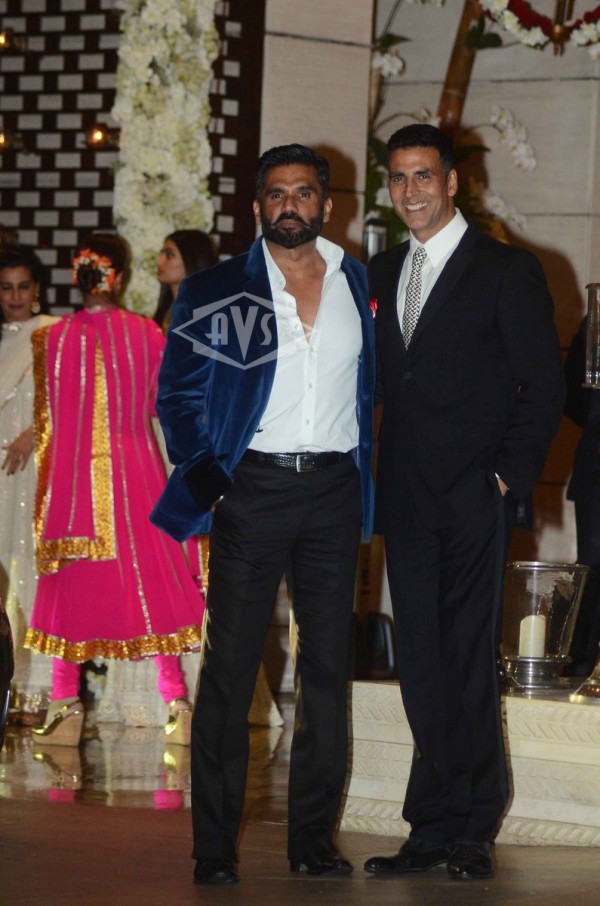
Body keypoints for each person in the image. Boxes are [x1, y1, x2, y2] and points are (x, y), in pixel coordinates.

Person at [152, 143, 376, 885]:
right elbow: (177, 398)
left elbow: (375, 388)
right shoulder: (220, 289)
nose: (289, 205)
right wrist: (214, 481)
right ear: (257, 206)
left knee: (327, 672)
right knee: (229, 668)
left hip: (335, 492)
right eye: (276, 194)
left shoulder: (357, 282)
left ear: (327, 204)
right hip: (252, 489)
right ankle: (214, 847)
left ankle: (312, 841)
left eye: (303, 192)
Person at [363, 124, 565, 881]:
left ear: (452, 182)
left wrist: (506, 478)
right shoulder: (381, 271)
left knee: (466, 660)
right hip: (405, 498)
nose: (410, 191)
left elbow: (543, 385)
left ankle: (473, 826)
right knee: (420, 662)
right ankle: (430, 825)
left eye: (424, 176)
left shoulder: (506, 268)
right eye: (399, 178)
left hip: (476, 497)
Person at [24, 233, 204, 747]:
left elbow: (48, 427)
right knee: (153, 580)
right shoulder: (146, 333)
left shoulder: (51, 340)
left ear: (76, 276)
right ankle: (177, 704)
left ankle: (65, 704)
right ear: (118, 278)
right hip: (137, 474)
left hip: (74, 481)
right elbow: (157, 407)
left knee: (71, 583)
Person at [0, 246, 59, 717]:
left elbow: (73, 401)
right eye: (6, 288)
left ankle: (38, 689)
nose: (16, 296)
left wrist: (34, 434)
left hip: (38, 467)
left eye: (23, 286)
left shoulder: (53, 332)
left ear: (37, 288)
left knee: (33, 573)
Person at [563, 317, 600, 676]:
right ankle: (583, 669)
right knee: (593, 570)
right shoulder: (597, 320)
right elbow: (572, 390)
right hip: (596, 469)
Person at [154, 229, 217, 331]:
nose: (158, 261)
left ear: (192, 261)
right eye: (161, 254)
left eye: (170, 255)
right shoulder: (167, 312)